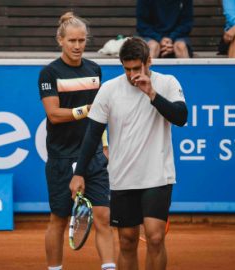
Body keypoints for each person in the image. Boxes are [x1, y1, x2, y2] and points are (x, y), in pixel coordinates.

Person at [70, 37, 188, 270]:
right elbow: (92, 135)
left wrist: (151, 93)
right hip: (123, 177)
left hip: (158, 175)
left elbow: (181, 117)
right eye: (127, 69)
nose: (132, 74)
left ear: (149, 62)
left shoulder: (167, 83)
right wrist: (79, 173)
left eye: (137, 68)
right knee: (127, 241)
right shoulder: (109, 90)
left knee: (155, 237)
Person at [37, 12, 116, 270]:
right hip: (61, 158)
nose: (78, 45)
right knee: (58, 220)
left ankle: (109, 267)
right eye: (72, 40)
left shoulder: (94, 70)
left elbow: (101, 116)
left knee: (103, 216)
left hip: (92, 156)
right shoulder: (49, 73)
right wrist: (86, 110)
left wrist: (103, 145)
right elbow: (53, 114)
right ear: (60, 40)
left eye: (82, 40)